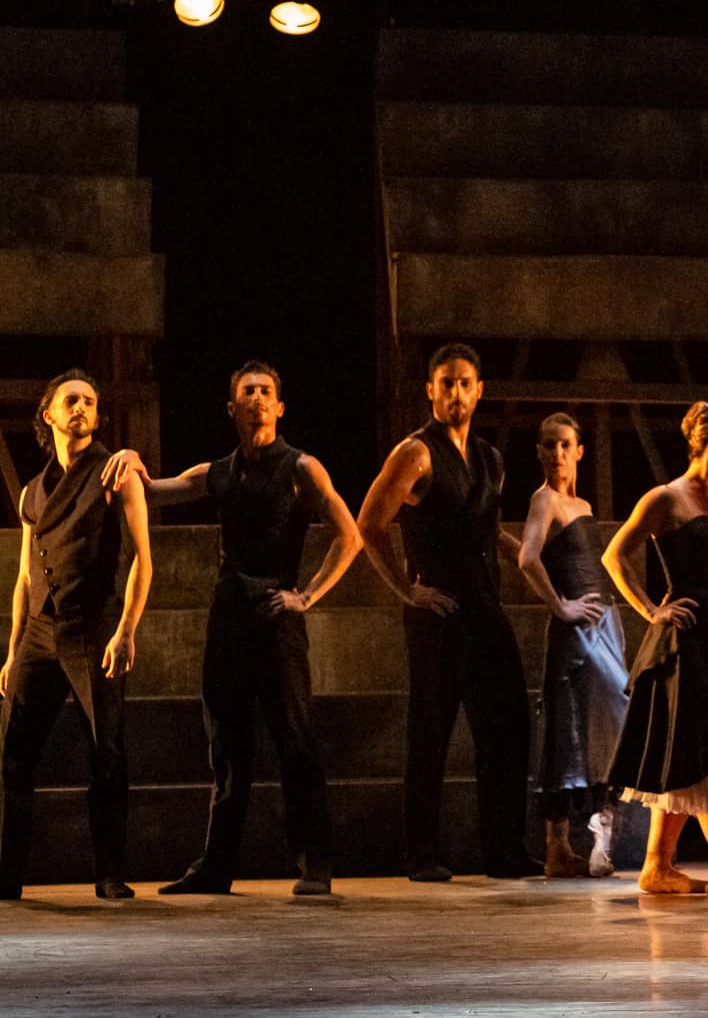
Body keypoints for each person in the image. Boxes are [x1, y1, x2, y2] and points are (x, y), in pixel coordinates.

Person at [107, 362, 359, 897]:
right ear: (232, 407)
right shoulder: (217, 471)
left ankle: (314, 864)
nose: (258, 399)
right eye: (248, 392)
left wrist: (306, 596)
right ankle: (216, 867)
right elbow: (149, 490)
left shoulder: (301, 467)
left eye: (267, 392)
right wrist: (126, 456)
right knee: (227, 746)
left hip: (278, 616)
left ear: (280, 406)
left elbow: (349, 535)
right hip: (230, 618)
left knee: (295, 738)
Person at [356, 343, 532, 882]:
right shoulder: (416, 453)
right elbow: (369, 524)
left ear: (479, 391)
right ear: (430, 390)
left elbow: (485, 530)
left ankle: (503, 851)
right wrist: (408, 592)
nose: (455, 393)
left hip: (484, 605)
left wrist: (527, 558)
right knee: (431, 731)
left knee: (509, 726)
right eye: (445, 383)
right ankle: (422, 854)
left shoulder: (490, 459)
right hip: (438, 611)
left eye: (464, 383)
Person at [1, 370, 153, 901]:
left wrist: (126, 628)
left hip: (93, 626)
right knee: (11, 752)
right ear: (49, 413)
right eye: (72, 400)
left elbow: (142, 559)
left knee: (106, 751)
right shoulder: (32, 491)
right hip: (41, 632)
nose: (82, 408)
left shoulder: (115, 473)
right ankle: (5, 875)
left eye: (90, 401)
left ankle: (110, 874)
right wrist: (15, 647)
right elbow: (24, 577)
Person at [603, 402, 708, 895]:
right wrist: (653, 609)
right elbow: (615, 555)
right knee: (696, 749)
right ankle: (706, 864)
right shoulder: (667, 499)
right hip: (687, 641)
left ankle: (671, 864)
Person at [515, 413, 627, 879]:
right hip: (577, 634)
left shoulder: (578, 503)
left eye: (564, 445)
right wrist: (561, 607)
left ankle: (595, 836)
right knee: (568, 731)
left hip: (603, 629)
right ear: (539, 452)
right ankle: (558, 846)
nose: (556, 453)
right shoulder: (544, 499)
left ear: (579, 451)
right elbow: (528, 557)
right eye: (547, 445)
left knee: (604, 728)